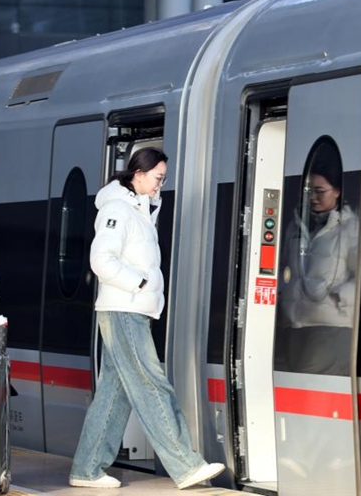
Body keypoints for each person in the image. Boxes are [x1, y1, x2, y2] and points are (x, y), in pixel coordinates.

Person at [69, 147, 225, 490]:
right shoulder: (117, 210)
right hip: (124, 308)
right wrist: (138, 283)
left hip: (133, 308)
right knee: (153, 383)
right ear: (138, 175)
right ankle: (185, 466)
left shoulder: (138, 210)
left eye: (163, 179)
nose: (159, 186)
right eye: (157, 178)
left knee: (116, 391)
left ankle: (87, 468)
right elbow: (101, 260)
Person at [279, 161, 361, 375]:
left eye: (320, 191)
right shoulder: (296, 225)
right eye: (308, 191)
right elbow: (286, 268)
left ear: (337, 191)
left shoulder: (354, 228)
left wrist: (342, 297)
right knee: (294, 392)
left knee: (308, 389)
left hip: (331, 329)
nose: (312, 198)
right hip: (294, 326)